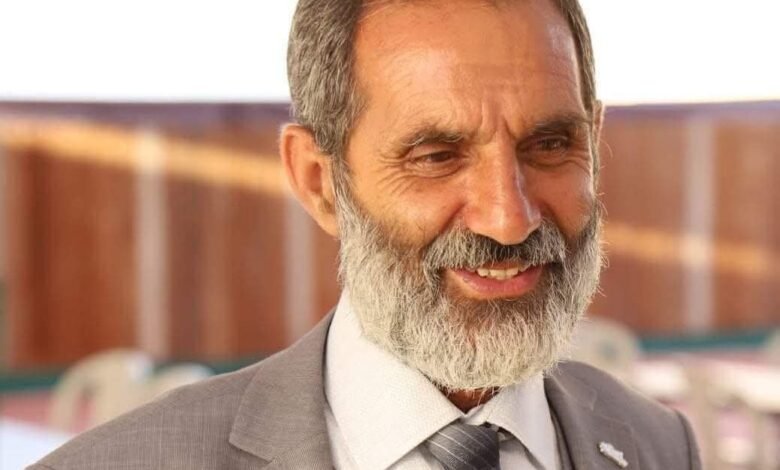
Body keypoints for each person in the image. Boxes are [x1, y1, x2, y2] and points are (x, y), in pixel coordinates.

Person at [31, 0, 701, 469]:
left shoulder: (659, 445)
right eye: (435, 156)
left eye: (550, 144)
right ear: (320, 182)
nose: (508, 217)